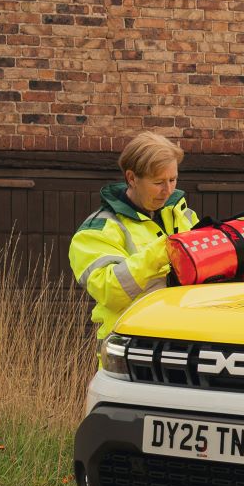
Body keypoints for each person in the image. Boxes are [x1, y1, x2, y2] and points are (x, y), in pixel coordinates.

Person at [68, 131, 200, 339]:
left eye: (173, 180)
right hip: (130, 348)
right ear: (132, 178)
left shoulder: (183, 214)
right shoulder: (98, 229)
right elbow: (109, 291)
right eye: (158, 183)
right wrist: (164, 251)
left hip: (184, 340)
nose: (167, 190)